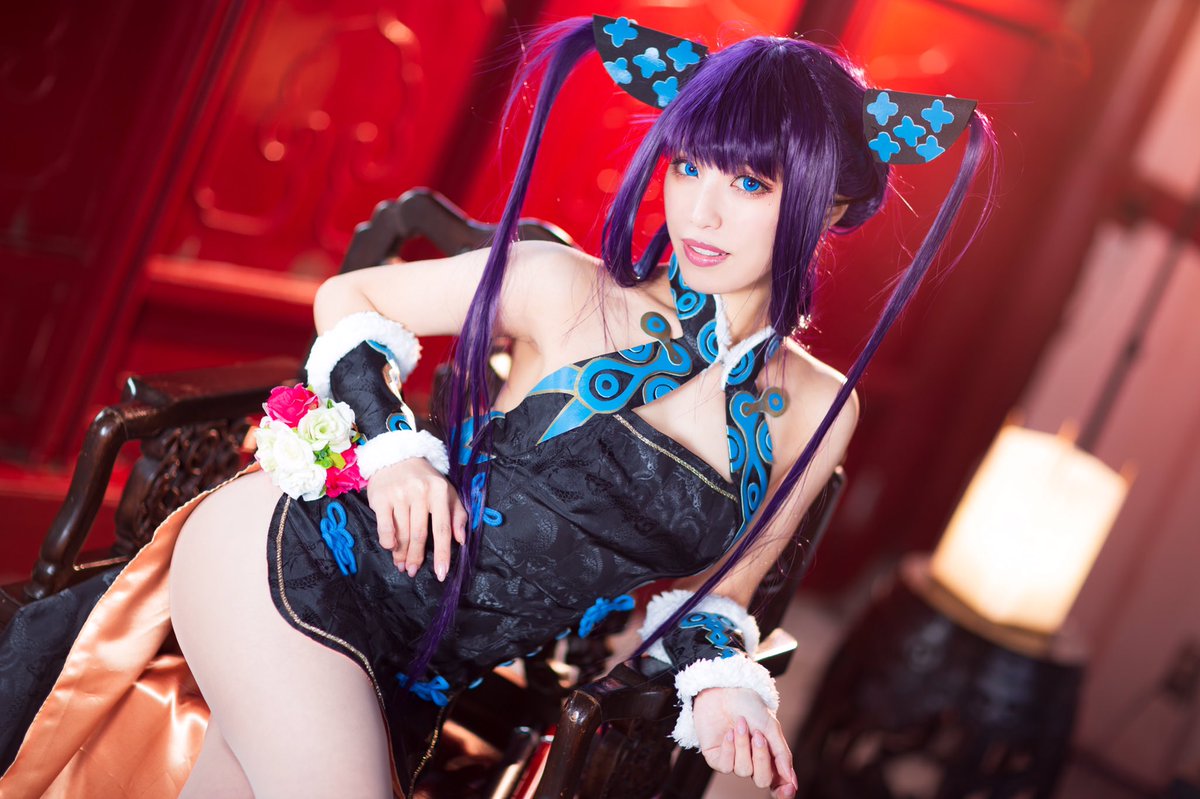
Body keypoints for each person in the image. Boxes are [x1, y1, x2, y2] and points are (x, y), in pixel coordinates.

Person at [0, 15, 994, 799]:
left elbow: (716, 595)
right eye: (688, 164)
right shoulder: (565, 287)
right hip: (293, 563)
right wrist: (393, 448)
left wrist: (726, 686)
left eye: (749, 181)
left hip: (407, 676)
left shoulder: (820, 410)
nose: (700, 208)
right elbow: (351, 298)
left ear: (828, 203)